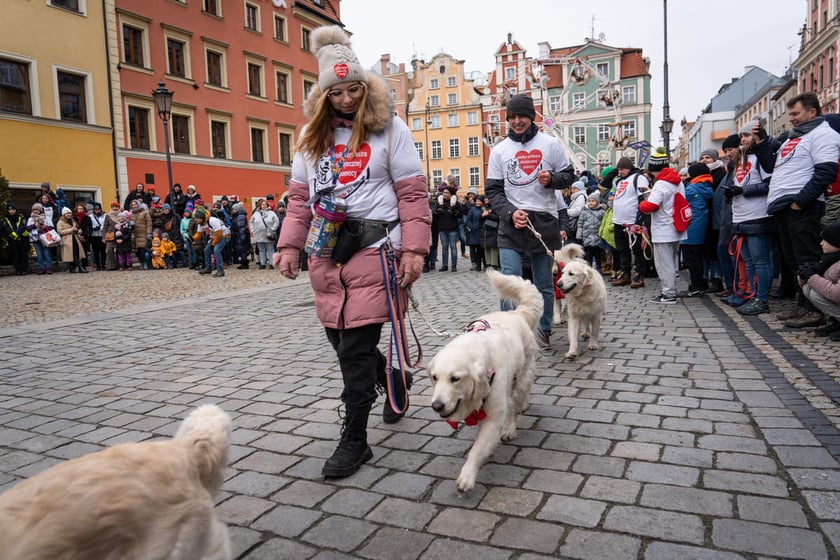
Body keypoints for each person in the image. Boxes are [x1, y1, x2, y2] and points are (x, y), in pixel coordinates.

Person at [274, 25, 429, 479]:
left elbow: (413, 193)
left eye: (354, 89)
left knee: (354, 351)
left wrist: (414, 251)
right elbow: (299, 198)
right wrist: (288, 245)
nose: (346, 99)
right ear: (323, 96)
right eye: (336, 92)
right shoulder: (309, 138)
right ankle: (393, 379)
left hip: (376, 248)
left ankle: (356, 439)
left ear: (366, 88)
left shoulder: (390, 129)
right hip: (326, 252)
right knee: (341, 341)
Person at [485, 93, 575, 347]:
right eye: (511, 117)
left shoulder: (550, 144)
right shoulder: (500, 150)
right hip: (511, 222)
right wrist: (510, 212)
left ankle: (543, 329)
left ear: (531, 116)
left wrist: (552, 180)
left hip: (544, 221)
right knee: (510, 280)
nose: (516, 121)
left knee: (544, 282)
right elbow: (493, 191)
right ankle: (508, 332)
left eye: (521, 116)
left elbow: (569, 176)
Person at [768, 92, 840, 328]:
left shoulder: (823, 134)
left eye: (796, 113)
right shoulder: (793, 137)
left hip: (802, 206)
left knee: (807, 258)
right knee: (793, 261)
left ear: (813, 111)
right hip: (784, 206)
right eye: (790, 114)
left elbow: (826, 171)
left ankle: (814, 310)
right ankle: (803, 304)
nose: (792, 119)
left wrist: (801, 201)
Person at [722, 119, 781, 315]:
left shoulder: (763, 156)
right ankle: (750, 294)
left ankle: (762, 298)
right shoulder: (741, 159)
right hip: (741, 217)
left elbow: (770, 183)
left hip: (758, 216)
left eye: (746, 135)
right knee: (747, 260)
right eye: (741, 136)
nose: (743, 140)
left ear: (757, 136)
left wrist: (743, 190)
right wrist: (732, 192)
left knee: (761, 260)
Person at [638, 149, 687, 304]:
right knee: (672, 262)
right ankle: (671, 290)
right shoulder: (676, 181)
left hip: (663, 229)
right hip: (675, 227)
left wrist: (642, 203)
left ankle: (668, 294)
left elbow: (650, 206)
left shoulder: (660, 183)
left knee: (664, 264)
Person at [610, 156, 651, 288]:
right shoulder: (619, 181)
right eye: (618, 169)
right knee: (622, 249)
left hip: (633, 222)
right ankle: (625, 273)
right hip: (618, 221)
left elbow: (644, 198)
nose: (619, 172)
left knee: (637, 249)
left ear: (629, 168)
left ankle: (639, 274)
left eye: (622, 169)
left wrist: (639, 219)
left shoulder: (639, 178)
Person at [678, 162, 714, 298]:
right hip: (701, 226)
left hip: (692, 227)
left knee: (691, 259)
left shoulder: (692, 189)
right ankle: (701, 284)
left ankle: (696, 286)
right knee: (698, 257)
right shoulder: (706, 186)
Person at [799, 221, 840, 339]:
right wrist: (804, 275)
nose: (821, 243)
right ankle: (837, 322)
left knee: (816, 293)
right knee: (808, 289)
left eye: (825, 240)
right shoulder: (830, 258)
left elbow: (837, 294)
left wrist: (811, 277)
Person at [434, 185, 464, 271]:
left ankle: (454, 266)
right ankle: (445, 265)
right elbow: (434, 212)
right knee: (444, 247)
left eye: (447, 193)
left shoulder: (455, 202)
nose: (445, 194)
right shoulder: (439, 202)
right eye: (444, 192)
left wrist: (455, 212)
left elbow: (461, 214)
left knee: (453, 247)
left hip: (452, 229)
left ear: (451, 194)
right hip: (442, 229)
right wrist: (437, 211)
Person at [195, 207, 229, 277]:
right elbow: (199, 234)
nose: (195, 220)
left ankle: (220, 270)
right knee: (206, 250)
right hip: (214, 236)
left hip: (224, 235)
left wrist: (214, 243)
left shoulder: (212, 220)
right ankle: (208, 268)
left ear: (201, 217)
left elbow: (219, 234)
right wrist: (193, 238)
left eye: (197, 218)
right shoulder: (201, 224)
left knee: (216, 250)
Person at [578, 191, 606, 271]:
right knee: (588, 255)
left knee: (598, 255)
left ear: (597, 202)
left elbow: (603, 223)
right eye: (589, 201)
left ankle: (598, 267)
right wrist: (579, 235)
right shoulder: (584, 212)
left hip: (598, 237)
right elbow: (580, 224)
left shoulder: (601, 212)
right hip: (587, 237)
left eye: (593, 201)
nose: (591, 203)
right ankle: (588, 268)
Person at [250, 198, 280, 269]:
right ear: (260, 205)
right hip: (258, 234)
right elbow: (251, 222)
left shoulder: (271, 213)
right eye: (263, 204)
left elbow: (276, 221)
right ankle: (262, 263)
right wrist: (252, 230)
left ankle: (271, 263)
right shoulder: (256, 213)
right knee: (261, 249)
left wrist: (273, 229)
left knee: (270, 249)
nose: (264, 205)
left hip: (268, 234)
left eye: (265, 204)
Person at [56, 206, 88, 273]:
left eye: (70, 213)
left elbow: (78, 228)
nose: (69, 215)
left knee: (76, 253)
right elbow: (60, 231)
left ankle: (72, 268)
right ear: (64, 214)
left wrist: (78, 230)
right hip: (67, 240)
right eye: (67, 213)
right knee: (72, 254)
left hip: (75, 238)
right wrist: (71, 230)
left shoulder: (73, 221)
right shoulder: (60, 222)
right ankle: (80, 267)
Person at [26, 204, 55, 274]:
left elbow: (52, 227)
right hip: (35, 238)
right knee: (39, 254)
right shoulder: (30, 219)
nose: (35, 211)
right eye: (34, 210)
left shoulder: (46, 218)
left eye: (37, 209)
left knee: (46, 253)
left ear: (40, 210)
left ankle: (49, 268)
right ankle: (41, 268)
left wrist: (45, 227)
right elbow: (27, 228)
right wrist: (34, 225)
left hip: (45, 238)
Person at [3, 203, 30, 275]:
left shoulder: (21, 217)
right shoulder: (6, 218)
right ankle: (18, 270)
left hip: (22, 239)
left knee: (23, 255)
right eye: (9, 210)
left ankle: (24, 269)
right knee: (16, 255)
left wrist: (16, 234)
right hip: (12, 240)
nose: (11, 211)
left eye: (13, 209)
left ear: (16, 210)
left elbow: (23, 226)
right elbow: (6, 228)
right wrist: (14, 235)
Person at [82, 202, 106, 271]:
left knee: (103, 251)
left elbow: (106, 224)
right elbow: (88, 225)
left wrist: (101, 228)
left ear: (101, 209)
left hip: (102, 235)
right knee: (95, 251)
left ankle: (103, 265)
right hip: (94, 236)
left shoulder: (105, 216)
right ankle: (98, 265)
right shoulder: (90, 216)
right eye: (96, 209)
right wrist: (93, 228)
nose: (97, 210)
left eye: (98, 209)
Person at [130, 199, 152, 269]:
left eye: (135, 204)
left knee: (143, 250)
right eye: (132, 205)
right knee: (138, 251)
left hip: (143, 234)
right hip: (136, 235)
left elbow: (149, 223)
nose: (134, 206)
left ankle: (145, 263)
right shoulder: (132, 214)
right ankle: (141, 263)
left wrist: (149, 233)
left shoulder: (145, 212)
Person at [465, 194, 485, 271]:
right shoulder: (472, 209)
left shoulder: (483, 209)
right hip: (473, 232)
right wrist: (471, 227)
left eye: (479, 201)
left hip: (481, 231)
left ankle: (480, 264)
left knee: (480, 249)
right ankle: (475, 263)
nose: (477, 202)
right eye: (477, 201)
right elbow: (468, 220)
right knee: (473, 248)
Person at [230, 202, 251, 269]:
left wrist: (242, 237)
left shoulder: (240, 216)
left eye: (233, 209)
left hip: (240, 236)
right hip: (239, 235)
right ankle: (244, 263)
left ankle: (244, 264)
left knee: (243, 250)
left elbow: (241, 227)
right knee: (242, 250)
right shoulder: (238, 216)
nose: (232, 211)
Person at [103, 201, 122, 271]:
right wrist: (103, 237)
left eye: (116, 206)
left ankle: (119, 265)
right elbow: (105, 226)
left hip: (119, 234)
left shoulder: (121, 214)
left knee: (119, 250)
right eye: (113, 206)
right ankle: (110, 266)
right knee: (109, 249)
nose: (115, 208)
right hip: (110, 235)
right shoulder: (108, 215)